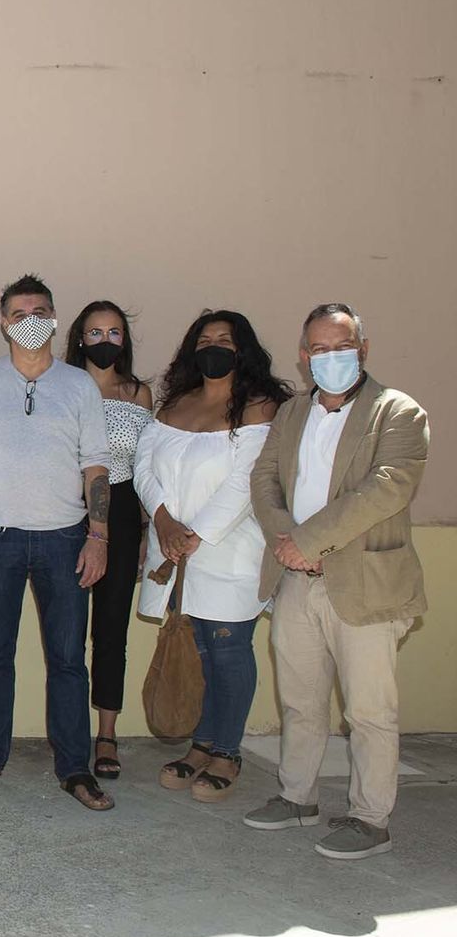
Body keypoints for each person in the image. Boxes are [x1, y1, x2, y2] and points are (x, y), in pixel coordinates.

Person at [244, 304, 428, 860]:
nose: (331, 358)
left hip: (364, 581)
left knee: (369, 710)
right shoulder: (293, 413)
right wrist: (288, 542)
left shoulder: (397, 412)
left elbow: (386, 488)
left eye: (341, 347)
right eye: (319, 349)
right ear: (304, 357)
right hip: (296, 577)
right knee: (301, 700)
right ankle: (297, 796)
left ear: (363, 350)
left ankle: (371, 818)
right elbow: (264, 479)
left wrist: (310, 540)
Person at [0, 274, 114, 811]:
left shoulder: (79, 385)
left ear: (56, 316)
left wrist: (99, 535)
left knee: (67, 658)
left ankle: (74, 768)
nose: (29, 320)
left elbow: (96, 465)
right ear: (3, 323)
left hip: (66, 539)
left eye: (39, 310)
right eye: (18, 314)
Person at [135, 310, 288, 803]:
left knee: (227, 650)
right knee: (195, 650)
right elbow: (143, 465)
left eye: (225, 339)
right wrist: (162, 521)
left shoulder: (260, 407)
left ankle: (227, 750)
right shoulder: (175, 404)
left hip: (228, 553)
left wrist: (195, 534)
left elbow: (248, 481)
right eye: (205, 339)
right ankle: (199, 746)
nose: (214, 347)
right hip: (173, 549)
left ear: (243, 349)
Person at [63, 302, 153, 780]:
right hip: (69, 510)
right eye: (95, 331)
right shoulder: (61, 384)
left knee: (112, 628)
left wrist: (143, 532)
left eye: (114, 331)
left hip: (120, 508)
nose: (105, 340)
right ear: (80, 337)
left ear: (125, 339)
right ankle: (71, 731)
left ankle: (107, 734)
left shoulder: (139, 393)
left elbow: (146, 465)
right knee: (68, 630)